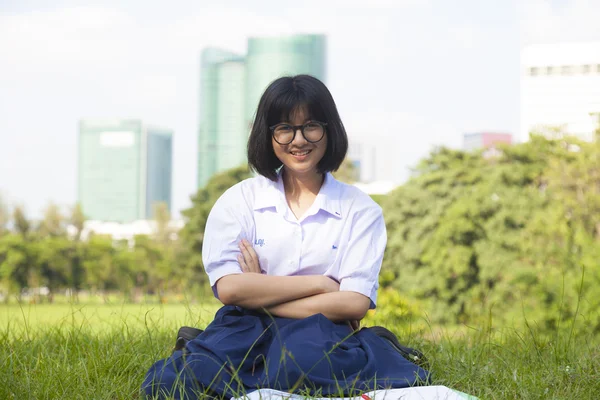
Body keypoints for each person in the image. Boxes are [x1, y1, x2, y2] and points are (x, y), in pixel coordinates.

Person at [142, 75, 429, 399]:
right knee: (168, 385)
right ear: (268, 135)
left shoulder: (360, 210)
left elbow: (354, 302)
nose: (298, 140)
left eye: (311, 126)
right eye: (284, 128)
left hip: (320, 328)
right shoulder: (240, 200)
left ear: (329, 129)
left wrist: (261, 289)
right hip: (244, 323)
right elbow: (231, 288)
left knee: (296, 366)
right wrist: (321, 284)